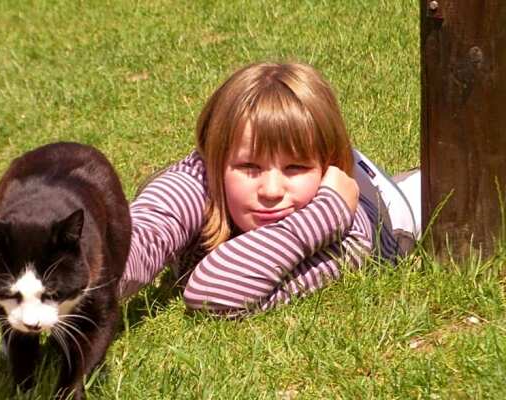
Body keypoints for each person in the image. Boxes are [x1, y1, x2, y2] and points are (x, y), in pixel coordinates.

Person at [118, 61, 421, 316]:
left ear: (328, 167)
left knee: (432, 197)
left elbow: (213, 293)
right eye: (249, 167)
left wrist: (328, 210)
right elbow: (122, 249)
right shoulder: (201, 176)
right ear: (214, 159)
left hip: (388, 212)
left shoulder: (346, 228)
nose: (272, 191)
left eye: (296, 168)